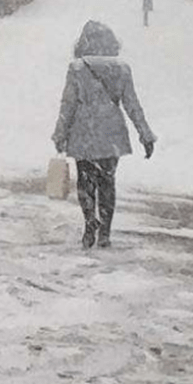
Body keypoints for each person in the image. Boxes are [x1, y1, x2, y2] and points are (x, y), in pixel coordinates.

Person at [52, 21, 156, 249]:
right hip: (111, 133)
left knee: (86, 181)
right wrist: (145, 134)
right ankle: (106, 231)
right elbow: (132, 105)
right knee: (108, 182)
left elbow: (68, 105)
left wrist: (60, 133)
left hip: (83, 132)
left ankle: (90, 223)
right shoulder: (122, 69)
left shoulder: (77, 68)